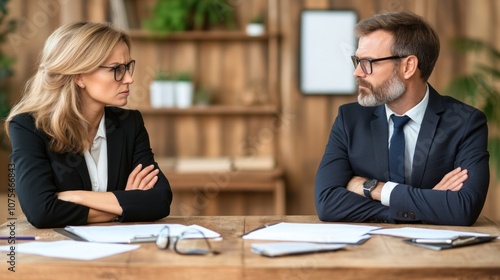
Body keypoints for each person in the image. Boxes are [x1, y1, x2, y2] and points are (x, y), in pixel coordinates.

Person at [314, 11, 489, 226]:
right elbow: (327, 203)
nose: (357, 72)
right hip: (367, 254)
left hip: (437, 256)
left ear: (408, 67)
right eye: (357, 61)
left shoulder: (465, 122)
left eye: (368, 62)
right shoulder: (349, 119)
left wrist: (374, 189)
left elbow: (463, 208)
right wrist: (425, 203)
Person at [5, 21, 173, 228]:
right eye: (117, 69)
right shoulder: (29, 127)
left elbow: (160, 200)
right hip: (61, 254)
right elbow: (41, 211)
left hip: (124, 252)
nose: (129, 78)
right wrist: (125, 202)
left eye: (128, 67)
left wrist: (77, 197)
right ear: (79, 76)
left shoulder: (129, 123)